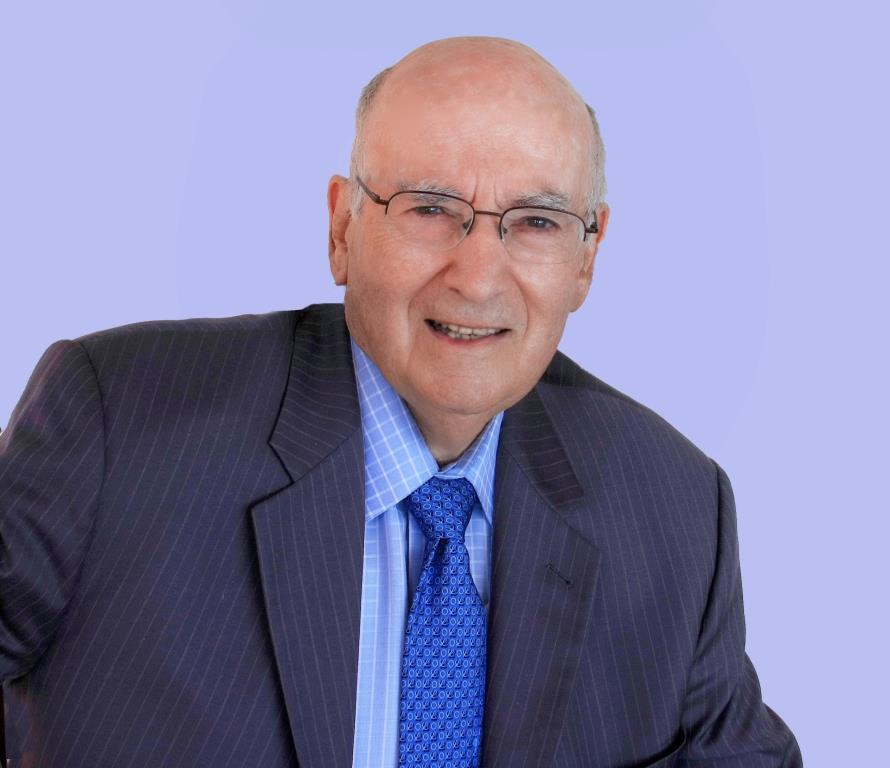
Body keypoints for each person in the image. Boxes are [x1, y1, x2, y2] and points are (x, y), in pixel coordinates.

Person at [0, 36, 800, 768]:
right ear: (341, 229)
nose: (477, 278)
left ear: (587, 259)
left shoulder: (674, 508)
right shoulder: (116, 422)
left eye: (536, 222)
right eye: (430, 209)